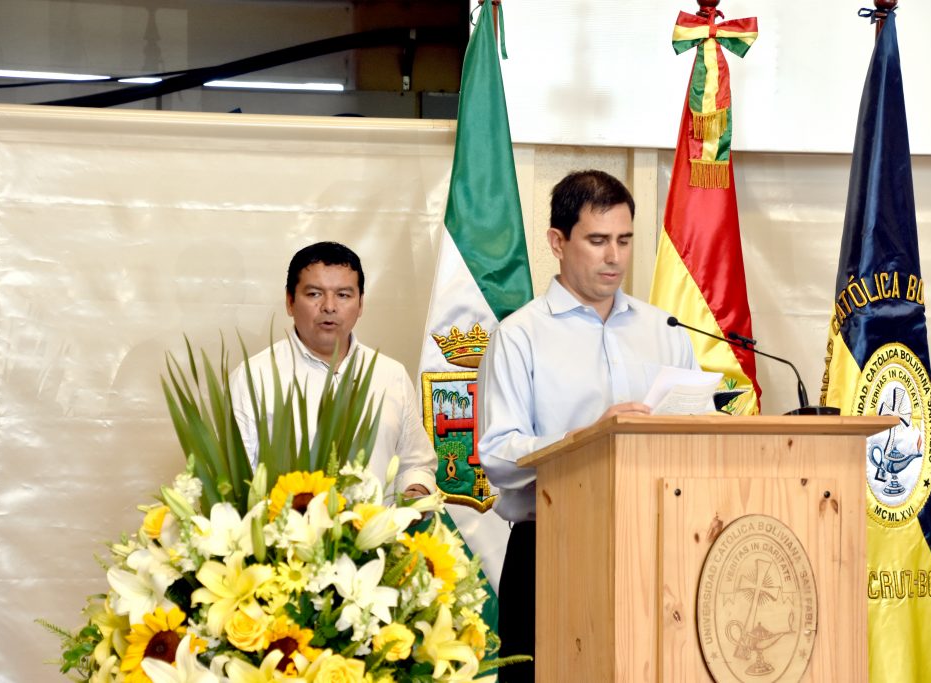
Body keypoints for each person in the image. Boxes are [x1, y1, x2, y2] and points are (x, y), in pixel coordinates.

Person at [477, 170, 700, 682]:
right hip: (552, 549)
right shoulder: (519, 337)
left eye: (624, 240)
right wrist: (587, 439)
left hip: (658, 547)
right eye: (597, 241)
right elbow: (499, 455)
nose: (614, 257)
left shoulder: (666, 330)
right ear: (558, 242)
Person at [230, 241, 436, 498]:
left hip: (376, 524)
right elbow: (238, 481)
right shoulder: (253, 378)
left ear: (360, 303)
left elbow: (416, 465)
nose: (329, 306)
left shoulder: (391, 375)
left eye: (343, 295)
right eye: (314, 294)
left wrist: (415, 493)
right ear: (290, 301)